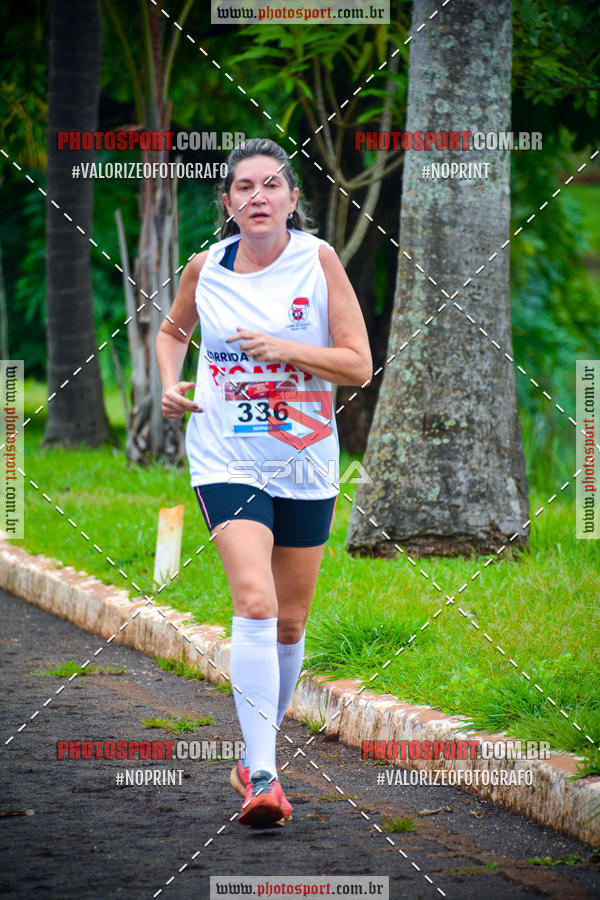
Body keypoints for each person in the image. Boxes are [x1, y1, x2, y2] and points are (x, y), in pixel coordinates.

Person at [155, 138, 372, 828]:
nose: (256, 196)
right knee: (253, 598)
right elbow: (170, 333)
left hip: (306, 459)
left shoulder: (319, 262)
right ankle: (266, 777)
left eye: (270, 185)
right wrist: (170, 384)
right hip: (225, 456)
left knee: (290, 620)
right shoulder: (206, 268)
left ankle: (254, 754)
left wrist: (287, 351)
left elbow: (358, 365)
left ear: (291, 199)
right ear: (227, 203)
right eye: (243, 187)